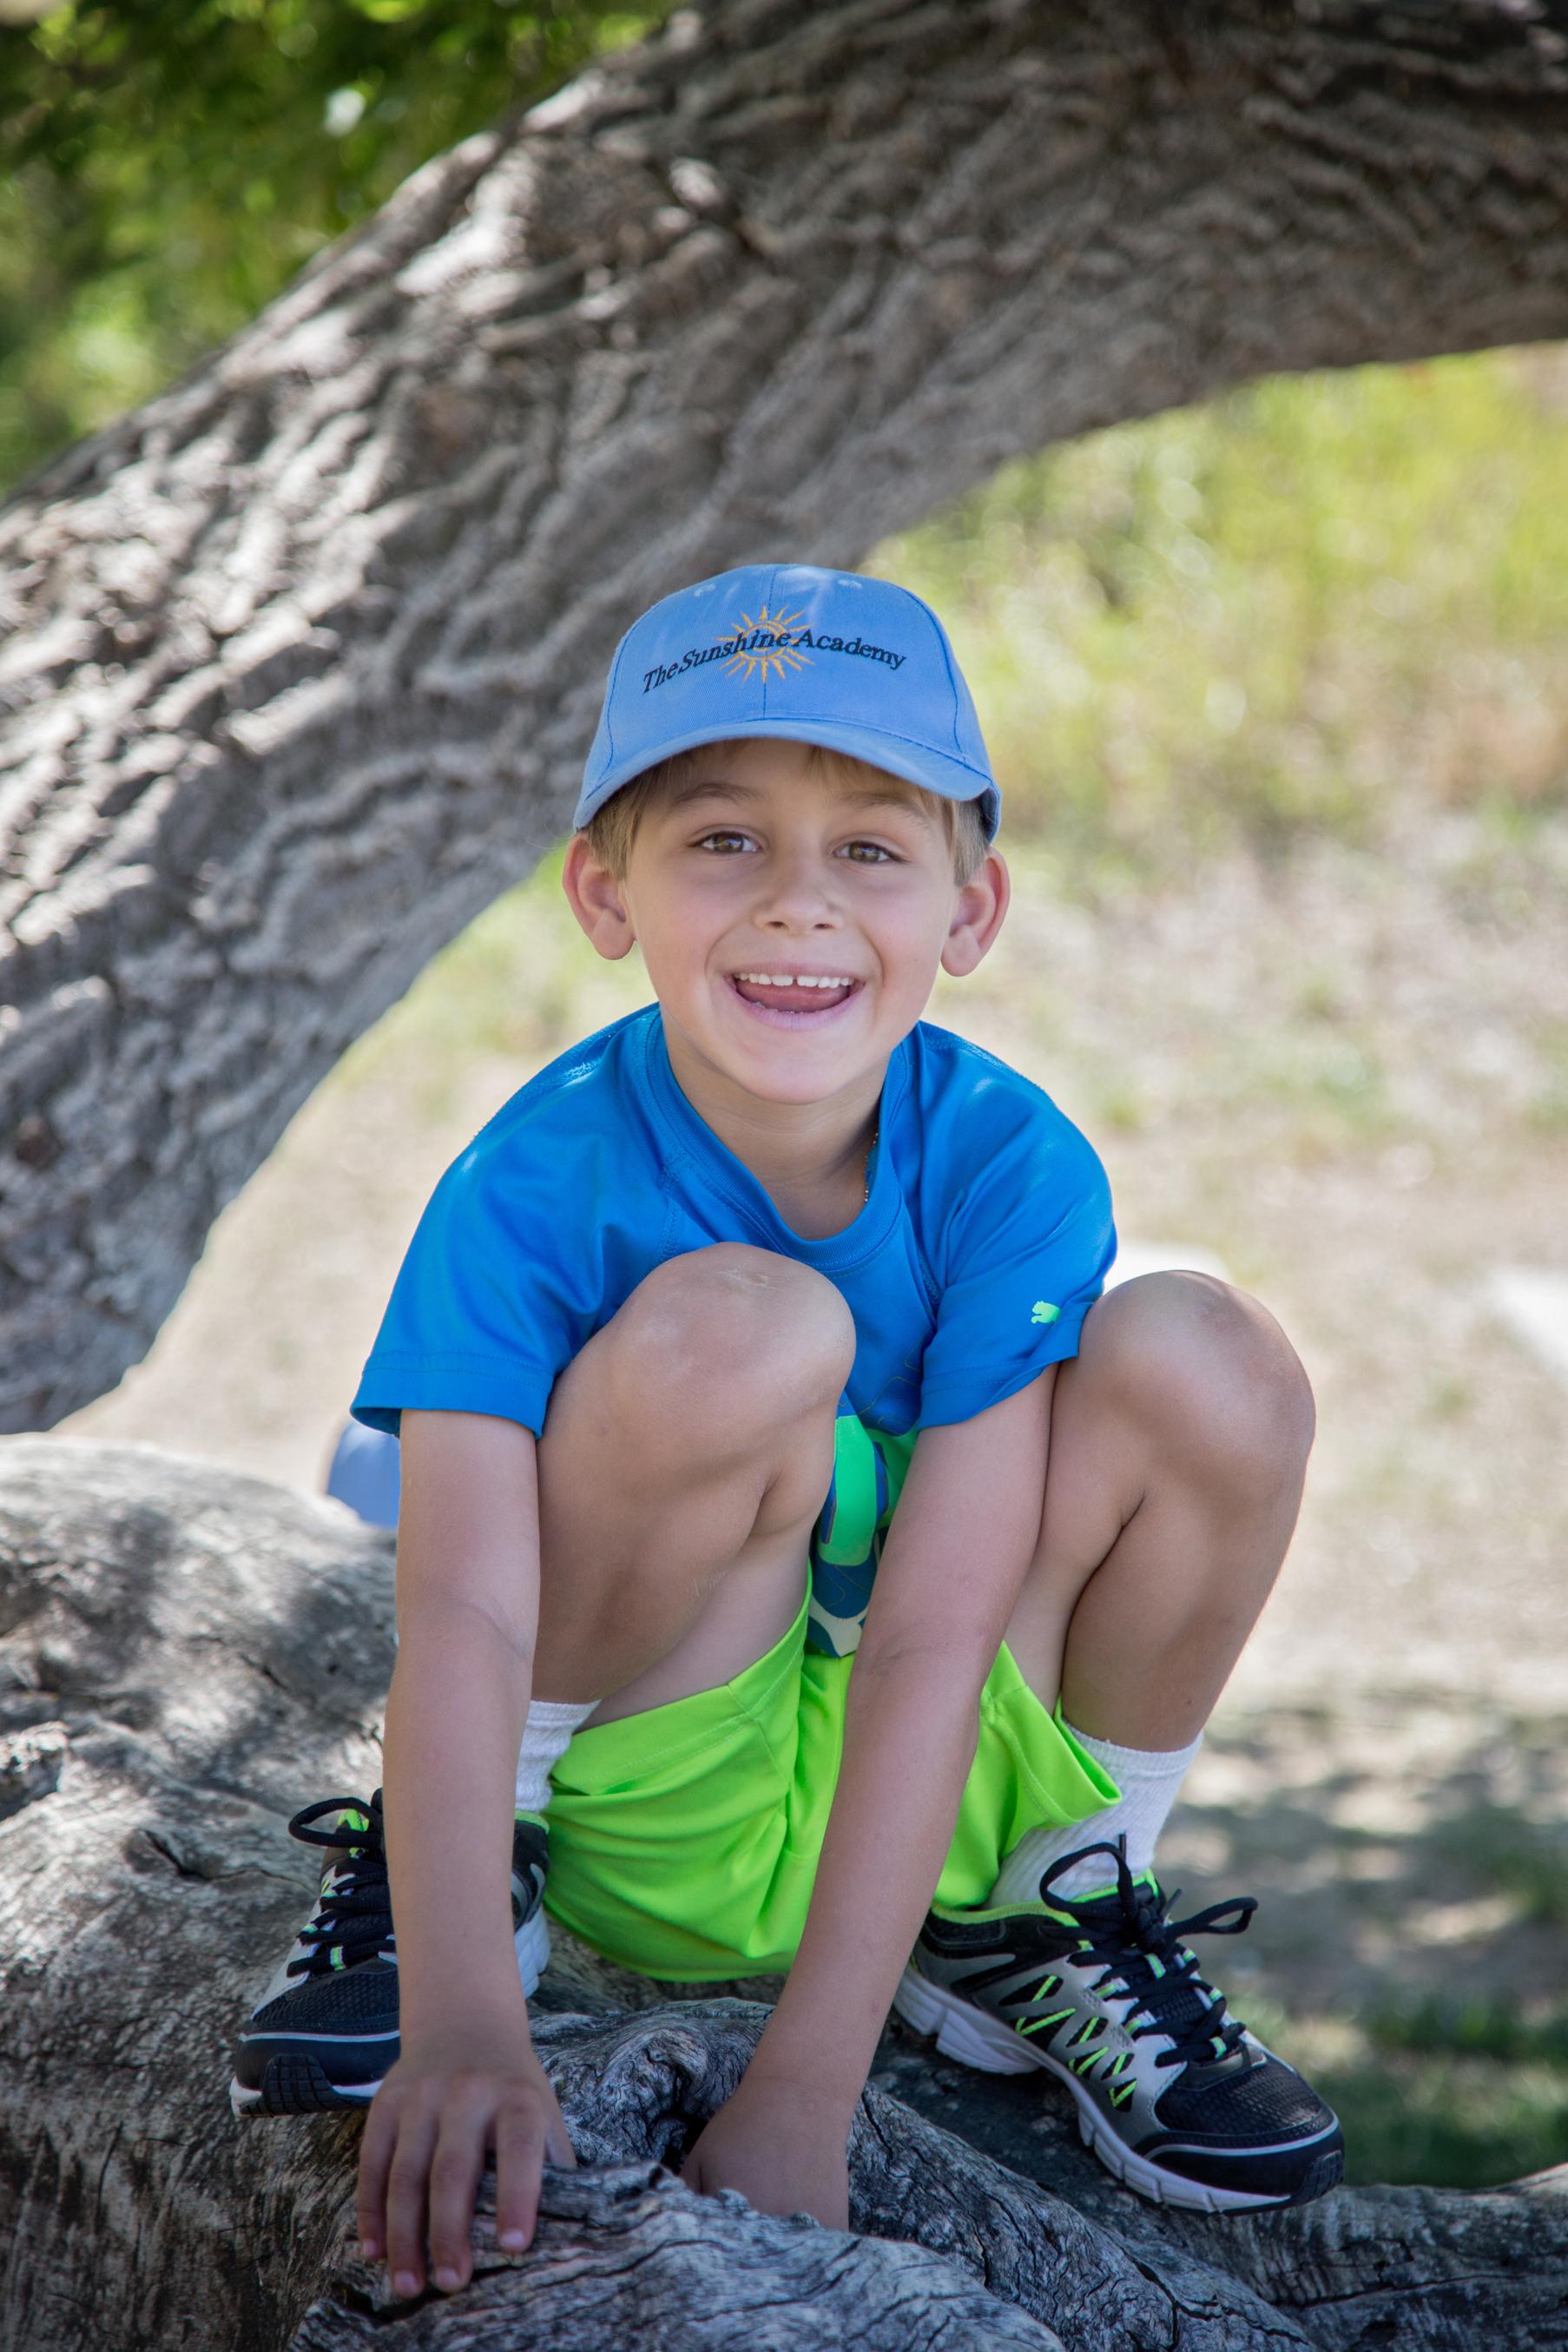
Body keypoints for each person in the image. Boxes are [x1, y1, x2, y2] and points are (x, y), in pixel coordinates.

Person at [229, 563, 1342, 2296]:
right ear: (607, 891)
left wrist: (806, 2091)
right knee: (750, 1327)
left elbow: (938, 1634)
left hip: (933, 1785)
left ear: (971, 907)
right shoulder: (528, 1178)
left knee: (1213, 1352)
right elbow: (461, 1608)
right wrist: (459, 2022)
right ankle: (473, 1855)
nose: (798, 902)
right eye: (724, 838)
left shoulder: (1007, 1163)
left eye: (871, 847)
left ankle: (1047, 1905)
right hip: (650, 1784)